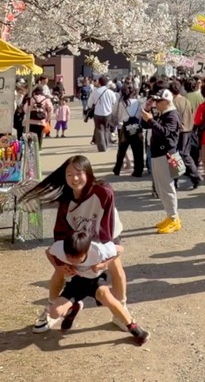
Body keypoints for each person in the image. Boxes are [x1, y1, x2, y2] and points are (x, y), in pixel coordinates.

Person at [22, 155, 136, 320]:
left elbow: (105, 228)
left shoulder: (103, 191)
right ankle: (51, 309)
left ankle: (122, 309)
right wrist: (62, 263)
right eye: (69, 174)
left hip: (107, 231)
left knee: (115, 266)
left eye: (79, 173)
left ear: (88, 173)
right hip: (80, 237)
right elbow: (60, 235)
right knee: (60, 271)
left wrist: (103, 261)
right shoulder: (66, 201)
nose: (74, 178)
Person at [33, 231, 148, 344]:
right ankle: (73, 309)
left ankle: (133, 327)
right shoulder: (60, 247)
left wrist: (104, 264)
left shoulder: (98, 250)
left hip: (95, 281)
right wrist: (58, 267)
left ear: (87, 251)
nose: (72, 260)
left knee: (108, 298)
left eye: (76, 257)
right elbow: (48, 252)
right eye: (68, 257)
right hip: (75, 282)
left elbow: (120, 250)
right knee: (54, 312)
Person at [141, 89, 183, 233]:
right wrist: (147, 112)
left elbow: (166, 134)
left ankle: (173, 218)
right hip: (158, 154)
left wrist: (151, 120)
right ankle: (170, 215)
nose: (155, 104)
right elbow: (146, 126)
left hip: (166, 154)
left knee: (167, 187)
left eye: (158, 101)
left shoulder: (172, 115)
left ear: (166, 102)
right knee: (161, 187)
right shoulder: (163, 114)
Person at [180, 79, 204, 188]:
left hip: (188, 125)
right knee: (195, 146)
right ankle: (195, 165)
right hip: (199, 124)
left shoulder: (185, 98)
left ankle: (191, 169)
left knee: (186, 149)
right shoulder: (200, 97)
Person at [87, 76, 117, 153]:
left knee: (99, 130)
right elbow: (114, 102)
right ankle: (106, 144)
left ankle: (101, 147)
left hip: (97, 114)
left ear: (99, 82)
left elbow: (90, 104)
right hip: (108, 113)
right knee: (107, 129)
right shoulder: (110, 92)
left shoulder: (95, 92)